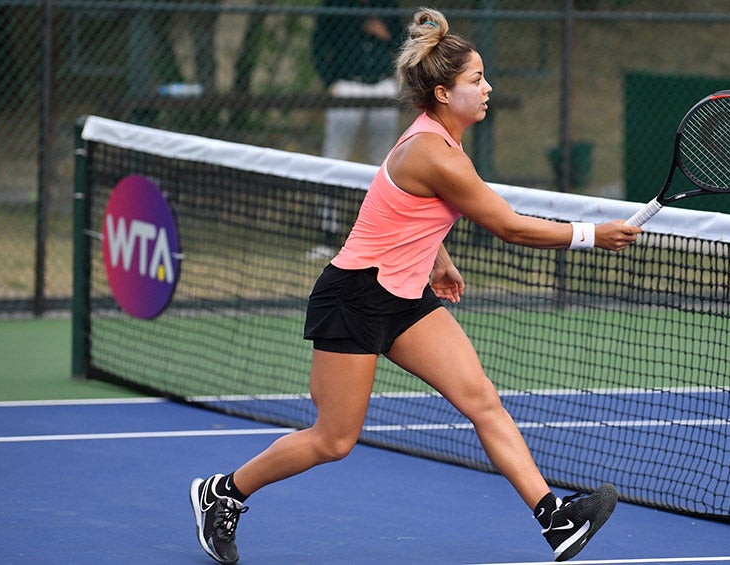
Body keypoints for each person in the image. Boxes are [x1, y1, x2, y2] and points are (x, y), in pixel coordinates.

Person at [190, 8, 641, 564]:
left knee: (482, 400)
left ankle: (554, 519)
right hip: (354, 296)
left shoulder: (437, 143)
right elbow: (507, 225)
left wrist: (437, 259)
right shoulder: (432, 151)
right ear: (444, 94)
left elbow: (400, 211)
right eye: (476, 80)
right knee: (333, 440)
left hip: (405, 297)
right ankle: (223, 493)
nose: (487, 87)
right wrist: (591, 235)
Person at [308, 0, 404, 258]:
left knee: (383, 163)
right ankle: (329, 233)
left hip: (382, 87)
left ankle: (382, 233)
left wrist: (385, 35)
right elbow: (318, 45)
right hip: (347, 87)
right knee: (334, 159)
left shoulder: (387, 6)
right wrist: (331, 83)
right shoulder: (333, 5)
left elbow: (405, 43)